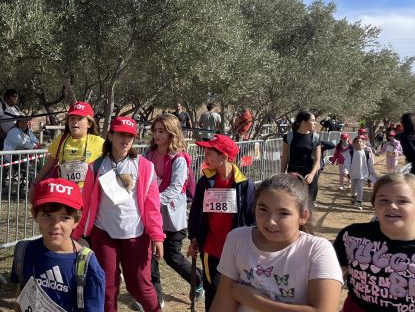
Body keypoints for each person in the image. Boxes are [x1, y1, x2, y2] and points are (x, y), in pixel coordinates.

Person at [211, 174, 343, 311]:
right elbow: (223, 301)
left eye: (283, 213)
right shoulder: (237, 239)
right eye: (263, 209)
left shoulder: (316, 250)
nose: (270, 221)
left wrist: (256, 301)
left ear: (303, 216)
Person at [72, 116, 164, 312]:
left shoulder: (145, 166)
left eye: (130, 136)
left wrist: (157, 236)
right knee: (107, 287)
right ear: (110, 135)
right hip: (103, 233)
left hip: (135, 234)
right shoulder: (95, 167)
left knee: (139, 286)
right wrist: (76, 234)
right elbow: (86, 204)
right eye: (121, 134)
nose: (126, 140)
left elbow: (152, 206)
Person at [11, 178, 105, 312]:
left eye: (65, 217)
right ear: (34, 214)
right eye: (47, 215)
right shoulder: (24, 251)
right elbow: (21, 293)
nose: (55, 225)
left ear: (76, 220)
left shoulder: (87, 265)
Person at [187, 134, 256, 311]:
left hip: (236, 253)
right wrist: (194, 237)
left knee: (235, 294)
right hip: (211, 250)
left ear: (224, 157)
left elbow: (251, 219)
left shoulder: (245, 185)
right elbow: (196, 213)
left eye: (210, 152)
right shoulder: (205, 182)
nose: (205, 156)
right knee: (214, 293)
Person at [333, 173, 415, 312]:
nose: (392, 206)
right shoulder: (352, 236)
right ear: (373, 204)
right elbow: (332, 277)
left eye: (402, 201)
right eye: (383, 200)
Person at [146, 114, 203, 305]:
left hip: (171, 218)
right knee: (150, 258)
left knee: (173, 257)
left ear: (172, 132)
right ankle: (156, 296)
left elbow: (176, 188)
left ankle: (198, 279)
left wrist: (151, 201)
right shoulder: (149, 155)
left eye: (162, 131)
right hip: (151, 217)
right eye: (155, 130)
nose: (157, 135)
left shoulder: (179, 159)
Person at [33, 101, 105, 189]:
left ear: (89, 123)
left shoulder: (98, 142)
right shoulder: (60, 139)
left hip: (87, 195)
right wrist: (34, 184)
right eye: (72, 118)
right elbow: (49, 164)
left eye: (80, 118)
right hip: (65, 193)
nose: (75, 122)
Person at [281, 110, 322, 207]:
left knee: (308, 204)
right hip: (293, 174)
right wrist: (282, 173)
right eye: (312, 120)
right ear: (303, 122)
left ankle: (306, 222)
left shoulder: (315, 137)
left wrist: (312, 175)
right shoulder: (288, 137)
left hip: (309, 175)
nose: (315, 123)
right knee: (293, 202)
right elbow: (285, 157)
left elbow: (317, 159)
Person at [342, 135, 378, 210]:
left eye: (360, 141)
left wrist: (373, 174)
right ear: (354, 143)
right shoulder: (351, 153)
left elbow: (370, 165)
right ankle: (353, 196)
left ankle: (359, 202)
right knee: (353, 187)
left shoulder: (367, 153)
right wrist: (345, 171)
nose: (358, 143)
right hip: (353, 173)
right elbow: (347, 163)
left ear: (363, 143)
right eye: (357, 142)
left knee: (360, 187)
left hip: (363, 174)